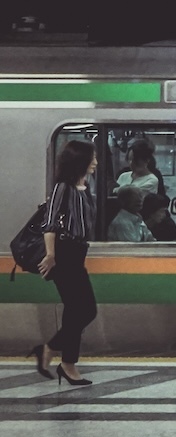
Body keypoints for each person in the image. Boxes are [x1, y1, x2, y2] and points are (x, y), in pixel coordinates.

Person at [28, 140, 99, 386]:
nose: (96, 163)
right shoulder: (63, 188)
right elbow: (50, 223)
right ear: (80, 160)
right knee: (87, 309)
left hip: (78, 253)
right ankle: (50, 349)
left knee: (74, 312)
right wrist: (50, 255)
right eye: (92, 158)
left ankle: (67, 364)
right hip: (64, 253)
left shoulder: (84, 187)